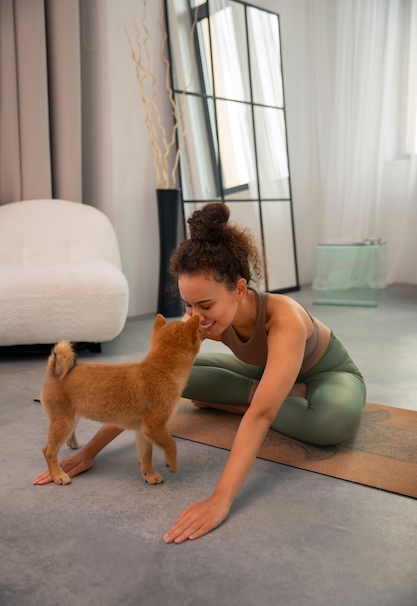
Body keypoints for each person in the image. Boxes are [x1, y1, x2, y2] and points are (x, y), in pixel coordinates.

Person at [33, 202, 366, 543]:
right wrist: (89, 452)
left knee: (331, 423)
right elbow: (145, 386)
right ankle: (260, 391)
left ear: (239, 289)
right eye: (188, 306)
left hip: (328, 376)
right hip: (261, 371)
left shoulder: (285, 320)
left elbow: (261, 417)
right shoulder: (204, 319)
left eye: (205, 305)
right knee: (164, 382)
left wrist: (220, 499)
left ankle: (253, 396)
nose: (195, 317)